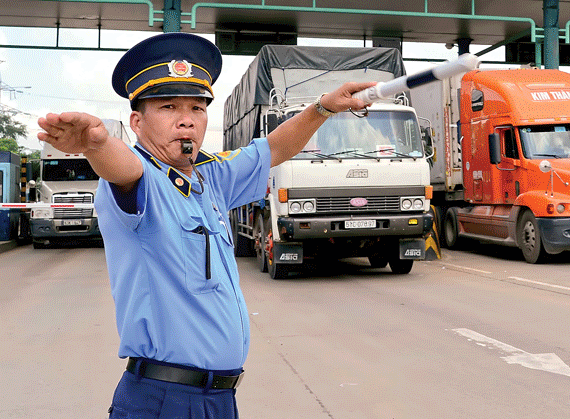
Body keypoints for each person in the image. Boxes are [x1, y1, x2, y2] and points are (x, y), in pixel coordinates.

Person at [37, 32, 376, 418]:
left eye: (198, 108)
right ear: (136, 121)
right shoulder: (140, 180)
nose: (187, 120)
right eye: (168, 106)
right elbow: (122, 167)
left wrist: (323, 107)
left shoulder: (209, 178)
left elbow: (274, 147)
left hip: (216, 398)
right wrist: (95, 145)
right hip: (165, 400)